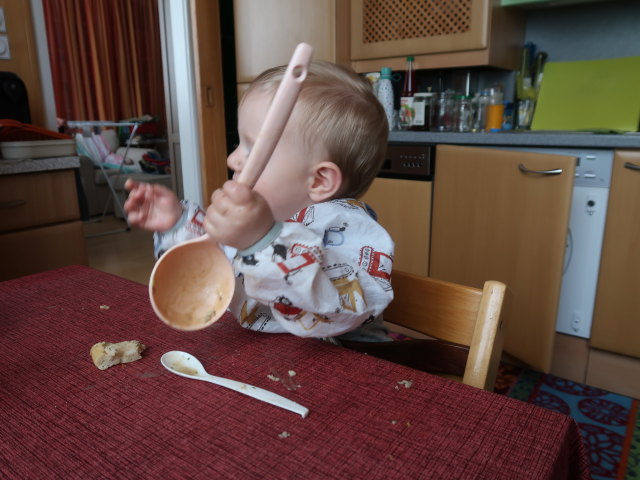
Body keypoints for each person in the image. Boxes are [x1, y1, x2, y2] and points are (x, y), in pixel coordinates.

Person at [124, 60, 394, 342]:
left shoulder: (350, 230)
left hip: (347, 365)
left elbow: (340, 309)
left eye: (252, 149)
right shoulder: (261, 220)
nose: (232, 159)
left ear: (319, 181)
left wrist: (263, 241)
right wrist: (177, 223)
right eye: (239, 143)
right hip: (267, 354)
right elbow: (212, 261)